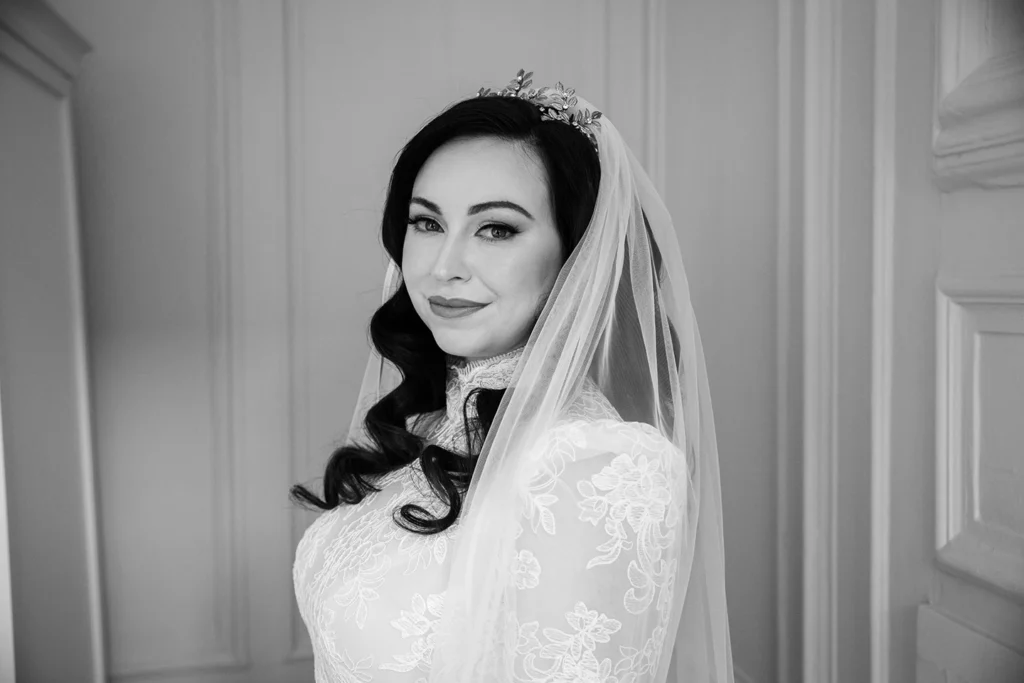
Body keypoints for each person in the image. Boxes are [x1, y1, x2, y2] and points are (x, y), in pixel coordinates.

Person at [291, 69, 734, 683]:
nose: (445, 266)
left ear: (576, 254)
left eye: (496, 228)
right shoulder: (429, 426)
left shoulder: (597, 468)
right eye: (427, 223)